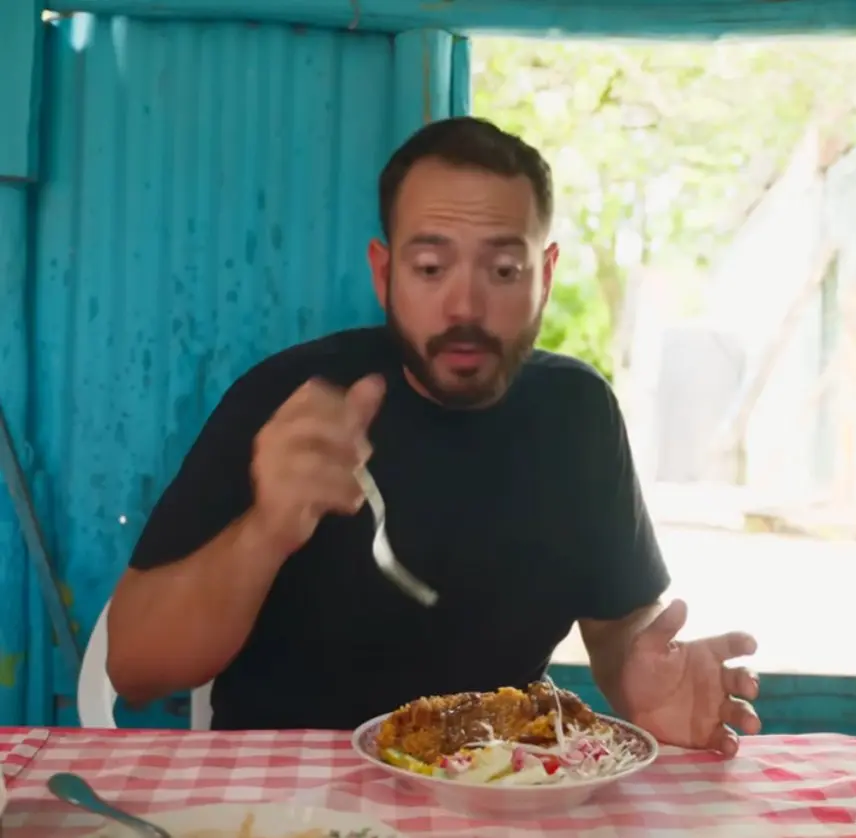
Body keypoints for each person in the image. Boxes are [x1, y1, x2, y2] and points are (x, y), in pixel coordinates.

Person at [106, 116, 760, 755]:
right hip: (288, 799)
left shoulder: (577, 413)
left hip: (503, 787)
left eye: (503, 270)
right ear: (384, 273)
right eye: (429, 267)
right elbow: (134, 666)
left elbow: (621, 626)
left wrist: (643, 678)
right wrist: (266, 530)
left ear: (546, 274)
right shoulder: (290, 401)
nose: (466, 307)